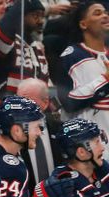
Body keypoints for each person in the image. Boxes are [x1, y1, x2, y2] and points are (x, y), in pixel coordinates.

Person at [58, 2, 109, 162]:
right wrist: (105, 80)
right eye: (97, 13)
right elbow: (69, 102)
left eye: (105, 12)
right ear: (83, 24)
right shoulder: (72, 56)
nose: (105, 15)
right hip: (90, 151)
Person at [0, 0, 48, 124]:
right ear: (20, 15)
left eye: (42, 16)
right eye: (35, 15)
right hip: (1, 115)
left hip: (33, 118)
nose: (40, 21)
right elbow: (5, 33)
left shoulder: (38, 47)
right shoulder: (0, 38)